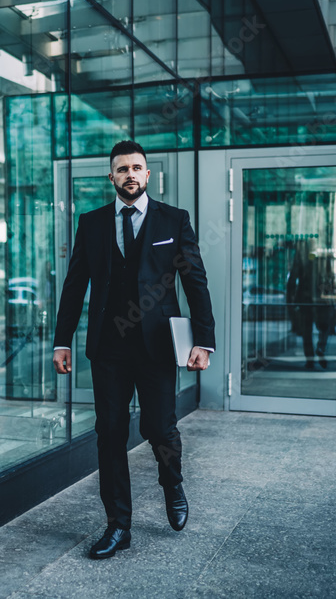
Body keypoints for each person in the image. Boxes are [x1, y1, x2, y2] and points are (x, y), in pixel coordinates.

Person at [52, 141, 214, 560]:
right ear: (111, 177)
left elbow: (195, 281)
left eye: (136, 168)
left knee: (159, 429)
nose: (129, 174)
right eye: (121, 168)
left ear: (147, 175)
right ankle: (117, 526)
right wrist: (61, 340)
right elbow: (75, 286)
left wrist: (203, 340)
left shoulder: (174, 220)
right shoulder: (91, 223)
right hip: (108, 348)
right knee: (110, 434)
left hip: (158, 346)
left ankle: (172, 482)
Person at [286, 239, 336, 369]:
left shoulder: (304, 258)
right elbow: (330, 278)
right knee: (323, 327)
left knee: (307, 331)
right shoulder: (323, 258)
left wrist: (291, 299)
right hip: (319, 299)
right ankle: (320, 348)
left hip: (306, 299)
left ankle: (310, 358)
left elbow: (293, 278)